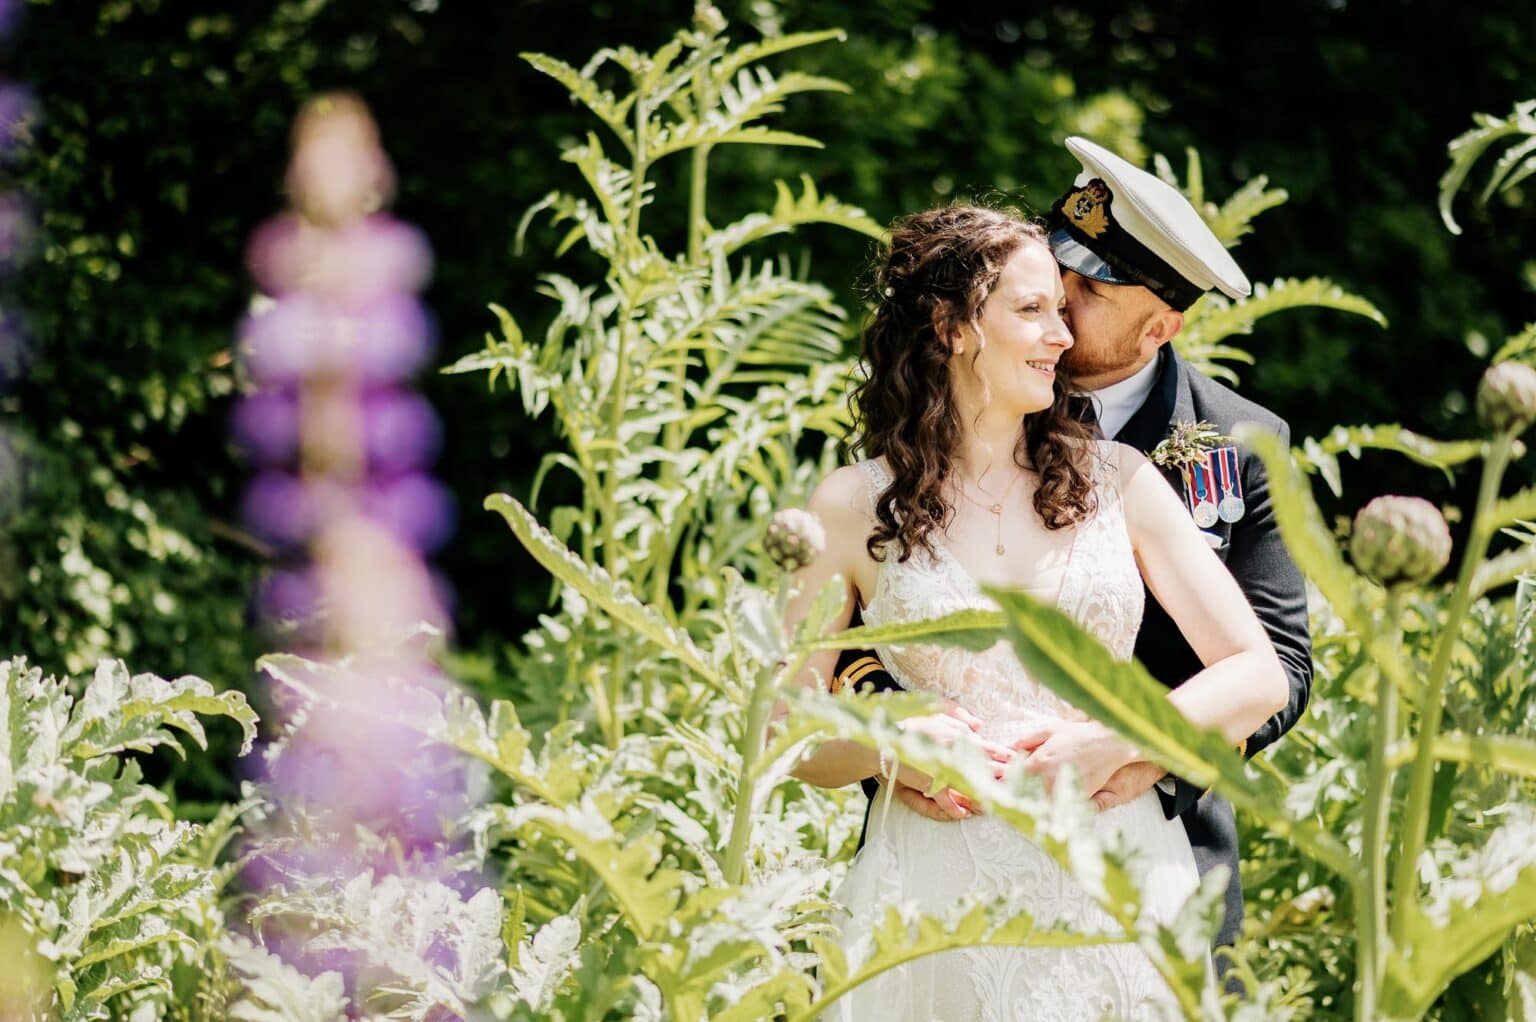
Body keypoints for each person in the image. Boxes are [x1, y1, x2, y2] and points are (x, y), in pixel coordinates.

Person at [778, 197, 1289, 1018]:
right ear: (949, 326)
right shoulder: (849, 504)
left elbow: (1262, 673)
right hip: (929, 899)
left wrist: (1118, 739)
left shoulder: (1122, 480)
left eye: (1065, 309)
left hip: (1116, 883)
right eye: (1034, 309)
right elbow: (785, 731)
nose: (1063, 335)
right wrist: (890, 744)